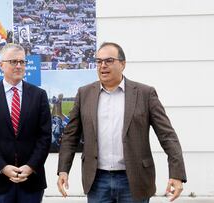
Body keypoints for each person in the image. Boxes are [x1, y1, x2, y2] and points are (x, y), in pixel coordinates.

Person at [57, 42, 187, 203]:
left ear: (123, 64)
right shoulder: (85, 94)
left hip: (134, 180)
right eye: (98, 61)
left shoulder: (145, 94)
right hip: (97, 181)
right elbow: (70, 135)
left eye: (109, 60)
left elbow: (167, 136)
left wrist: (177, 174)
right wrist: (63, 170)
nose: (102, 65)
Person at [0, 43, 52, 203]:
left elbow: (45, 136)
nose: (19, 66)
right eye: (13, 62)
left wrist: (31, 167)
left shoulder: (39, 95)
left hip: (31, 180)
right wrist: (3, 167)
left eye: (22, 62)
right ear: (0, 65)